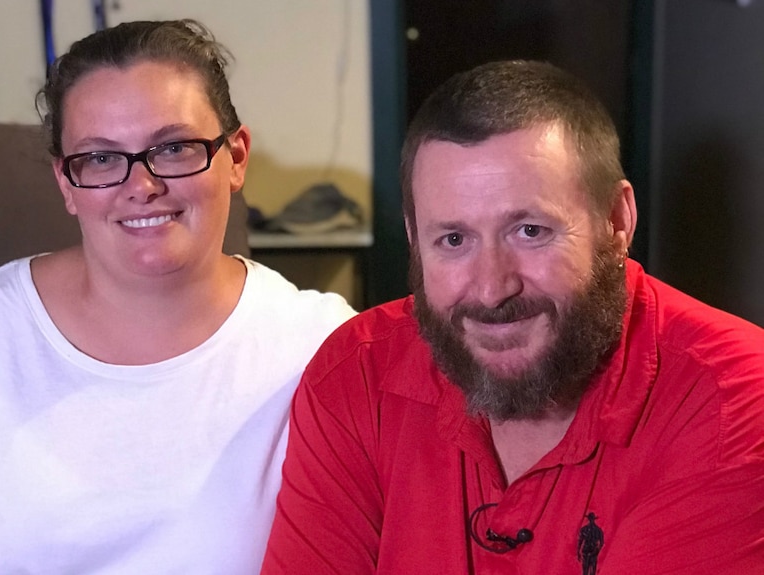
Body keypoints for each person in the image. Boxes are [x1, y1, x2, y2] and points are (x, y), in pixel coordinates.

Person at [261, 60, 764, 574]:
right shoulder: (356, 376)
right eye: (453, 240)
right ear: (414, 240)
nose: (492, 287)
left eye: (529, 231)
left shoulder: (735, 397)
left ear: (616, 221)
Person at [0, 19, 355, 574]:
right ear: (66, 183)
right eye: (100, 158)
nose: (141, 184)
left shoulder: (323, 348)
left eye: (174, 147)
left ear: (236, 158)